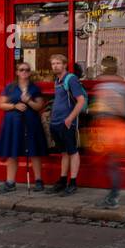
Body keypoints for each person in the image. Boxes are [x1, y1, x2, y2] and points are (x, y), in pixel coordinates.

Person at [0, 62, 48, 194]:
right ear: (17, 72)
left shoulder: (34, 88)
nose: (24, 72)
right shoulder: (10, 88)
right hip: (13, 124)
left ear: (30, 73)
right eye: (21, 70)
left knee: (34, 151)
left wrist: (28, 101)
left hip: (31, 123)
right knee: (12, 152)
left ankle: (39, 181)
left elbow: (39, 106)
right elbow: (0, 105)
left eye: (27, 70)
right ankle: (10, 182)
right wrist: (14, 106)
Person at [92, 56, 125, 208]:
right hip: (115, 127)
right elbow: (124, 110)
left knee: (111, 164)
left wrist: (104, 106)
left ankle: (113, 197)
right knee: (111, 164)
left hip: (110, 128)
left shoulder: (104, 85)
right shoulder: (121, 84)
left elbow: (120, 109)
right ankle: (113, 195)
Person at [48, 54, 87, 196]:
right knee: (64, 152)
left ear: (65, 65)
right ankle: (63, 180)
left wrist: (70, 118)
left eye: (58, 63)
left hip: (67, 122)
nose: (55, 66)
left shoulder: (71, 79)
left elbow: (81, 100)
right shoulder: (57, 80)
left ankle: (73, 182)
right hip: (56, 122)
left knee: (72, 152)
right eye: (53, 64)